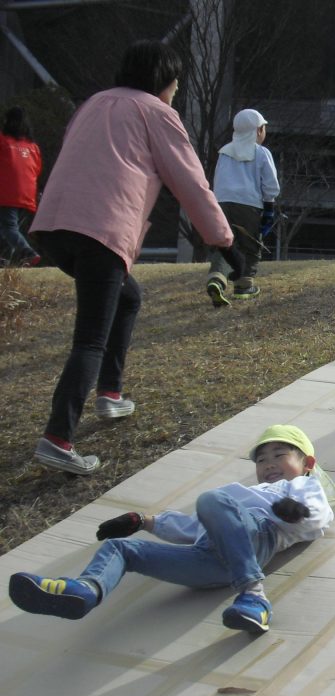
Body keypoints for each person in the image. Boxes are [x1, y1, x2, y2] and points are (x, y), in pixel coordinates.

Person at [29, 39, 233, 476]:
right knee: (89, 340)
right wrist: (222, 239)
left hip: (54, 227)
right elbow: (190, 183)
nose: (176, 90)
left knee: (127, 297)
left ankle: (111, 395)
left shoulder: (93, 103)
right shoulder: (157, 112)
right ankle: (57, 438)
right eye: (176, 82)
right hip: (99, 233)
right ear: (166, 81)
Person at [8, 425, 334, 635]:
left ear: (307, 464)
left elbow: (320, 516)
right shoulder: (242, 495)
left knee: (211, 499)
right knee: (121, 548)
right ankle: (85, 590)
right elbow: (194, 528)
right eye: (262, 460)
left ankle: (254, 598)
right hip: (208, 560)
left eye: (280, 455)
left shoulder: (302, 487)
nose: (269, 464)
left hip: (258, 538)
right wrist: (144, 521)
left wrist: (296, 512)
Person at [206, 109, 280, 306]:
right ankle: (244, 285)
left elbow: (218, 180)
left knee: (225, 244)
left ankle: (217, 279)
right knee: (251, 244)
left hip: (221, 203)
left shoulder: (224, 152)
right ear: (257, 131)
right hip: (249, 205)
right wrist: (269, 208)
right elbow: (271, 185)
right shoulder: (262, 153)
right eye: (263, 128)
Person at [0, 106, 43, 266]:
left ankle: (28, 252)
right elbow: (37, 169)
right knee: (8, 229)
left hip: (7, 194)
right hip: (27, 196)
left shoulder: (3, 141)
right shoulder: (33, 147)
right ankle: (4, 261)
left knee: (9, 228)